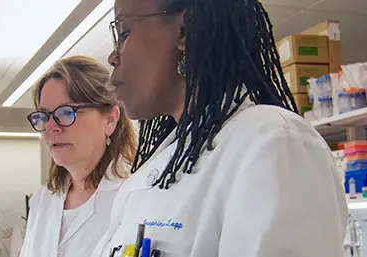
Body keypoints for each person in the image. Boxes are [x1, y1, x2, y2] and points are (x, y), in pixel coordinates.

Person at [92, 0, 348, 256]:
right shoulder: (157, 166)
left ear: (185, 31)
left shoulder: (274, 143)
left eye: (124, 32)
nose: (112, 57)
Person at [20, 56, 137, 257]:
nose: (50, 128)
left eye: (66, 112)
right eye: (44, 116)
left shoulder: (133, 195)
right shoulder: (44, 198)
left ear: (110, 119)